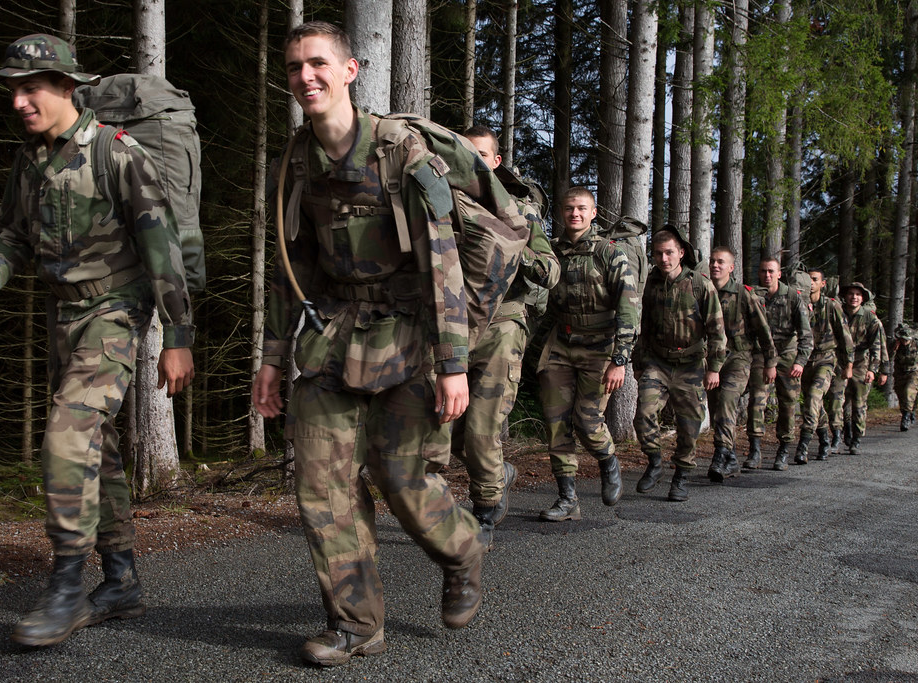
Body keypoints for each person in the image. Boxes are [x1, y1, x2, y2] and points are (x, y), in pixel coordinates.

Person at [251, 22, 520, 666]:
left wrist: (453, 364)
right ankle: (355, 623)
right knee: (322, 486)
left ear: (350, 71)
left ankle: (462, 551)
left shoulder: (403, 154)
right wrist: (269, 358)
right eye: (294, 68)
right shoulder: (290, 164)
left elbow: (445, 264)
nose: (306, 77)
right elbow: (291, 270)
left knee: (403, 481)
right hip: (330, 337)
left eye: (318, 64)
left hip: (410, 336)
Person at [0, 34, 195, 647]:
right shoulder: (30, 159)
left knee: (67, 438)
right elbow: (12, 231)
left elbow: (162, 249)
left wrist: (177, 336)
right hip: (61, 320)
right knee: (101, 449)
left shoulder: (118, 154)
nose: (18, 100)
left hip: (116, 315)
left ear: (67, 87)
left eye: (30, 87)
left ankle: (66, 587)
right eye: (12, 89)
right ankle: (119, 580)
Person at [453, 126, 560, 546]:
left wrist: (515, 247)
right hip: (455, 326)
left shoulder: (518, 208)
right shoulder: (446, 202)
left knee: (481, 429)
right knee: (448, 434)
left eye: (482, 154)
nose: (474, 162)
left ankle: (484, 511)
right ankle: (500, 474)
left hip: (503, 323)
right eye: (467, 153)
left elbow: (550, 272)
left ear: (496, 161)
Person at [536, 187, 639, 521]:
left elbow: (628, 310)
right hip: (562, 345)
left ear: (593, 213)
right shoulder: (553, 252)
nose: (574, 214)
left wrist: (619, 359)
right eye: (568, 209)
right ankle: (568, 499)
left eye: (581, 208)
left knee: (587, 420)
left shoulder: (610, 253)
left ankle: (608, 461)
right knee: (555, 422)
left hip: (600, 349)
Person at [633, 226, 726, 502]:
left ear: (681, 253)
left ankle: (682, 475)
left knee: (689, 426)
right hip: (658, 363)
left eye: (669, 252)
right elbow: (644, 326)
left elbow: (717, 330)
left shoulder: (699, 284)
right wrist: (639, 362)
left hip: (691, 365)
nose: (664, 259)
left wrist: (714, 368)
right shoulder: (651, 284)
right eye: (659, 254)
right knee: (643, 415)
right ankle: (655, 462)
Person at [706, 246, 776, 482]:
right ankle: (732, 459)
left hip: (739, 357)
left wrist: (770, 363)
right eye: (713, 261)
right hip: (712, 360)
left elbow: (763, 331)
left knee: (727, 402)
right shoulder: (703, 291)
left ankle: (721, 453)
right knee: (717, 410)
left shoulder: (743, 294)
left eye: (721, 262)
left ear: (731, 267)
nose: (715, 265)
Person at [744, 258, 812, 470]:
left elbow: (806, 335)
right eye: (763, 271)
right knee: (757, 399)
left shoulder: (792, 297)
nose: (767, 275)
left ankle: (784, 448)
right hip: (762, 355)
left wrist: (800, 362)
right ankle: (755, 449)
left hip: (787, 354)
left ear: (779, 274)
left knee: (788, 403)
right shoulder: (754, 295)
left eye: (771, 271)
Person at [793, 271, 853, 464]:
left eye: (815, 280)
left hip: (826, 360)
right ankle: (825, 439)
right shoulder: (799, 304)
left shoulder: (831, 306)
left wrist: (848, 364)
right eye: (808, 279)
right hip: (804, 361)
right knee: (813, 404)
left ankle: (803, 445)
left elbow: (844, 336)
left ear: (823, 284)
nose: (811, 283)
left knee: (813, 397)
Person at [838, 282, 884, 454]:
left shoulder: (870, 318)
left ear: (863, 298)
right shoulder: (839, 313)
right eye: (851, 293)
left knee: (859, 402)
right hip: (841, 361)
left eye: (858, 294)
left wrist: (873, 369)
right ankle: (845, 432)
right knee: (841, 401)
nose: (854, 297)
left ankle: (856, 438)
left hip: (861, 363)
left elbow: (877, 346)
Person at [892, 323, 918, 432]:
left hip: (914, 373)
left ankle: (905, 418)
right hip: (900, 373)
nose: (904, 342)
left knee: (909, 393)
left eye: (906, 340)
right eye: (902, 339)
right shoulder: (895, 345)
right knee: (902, 396)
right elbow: (887, 358)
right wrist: (894, 349)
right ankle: (907, 412)